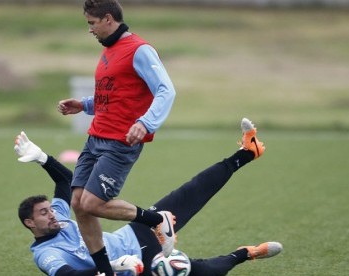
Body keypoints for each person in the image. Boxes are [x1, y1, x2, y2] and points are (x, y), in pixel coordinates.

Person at [15, 118, 282, 276]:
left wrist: (42, 158)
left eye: (50, 209)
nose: (52, 214)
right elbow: (69, 275)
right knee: (198, 271)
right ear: (30, 223)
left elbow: (65, 181)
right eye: (43, 213)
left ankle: (247, 152)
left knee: (192, 191)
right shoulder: (45, 254)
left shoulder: (59, 218)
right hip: (136, 268)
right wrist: (118, 266)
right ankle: (246, 254)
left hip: (137, 235)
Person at [56, 1, 177, 274]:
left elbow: (166, 91)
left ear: (108, 19)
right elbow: (114, 95)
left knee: (92, 203)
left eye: (92, 23)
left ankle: (158, 220)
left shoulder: (139, 50)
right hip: (95, 136)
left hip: (120, 142)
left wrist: (145, 123)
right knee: (78, 204)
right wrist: (85, 105)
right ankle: (104, 271)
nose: (90, 30)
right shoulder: (110, 50)